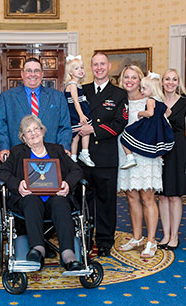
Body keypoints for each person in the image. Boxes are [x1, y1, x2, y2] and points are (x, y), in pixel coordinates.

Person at [0, 115, 84, 271]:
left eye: (36, 128)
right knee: (31, 200)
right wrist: (18, 185)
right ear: (23, 137)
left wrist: (67, 184)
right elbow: (1, 173)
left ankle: (68, 254)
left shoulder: (56, 150)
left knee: (60, 201)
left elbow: (76, 170)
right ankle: (38, 248)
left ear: (42, 131)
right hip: (28, 202)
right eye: (28, 131)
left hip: (54, 199)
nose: (33, 133)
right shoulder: (17, 152)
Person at [77, 52, 128, 257]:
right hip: (84, 157)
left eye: (102, 64)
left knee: (106, 203)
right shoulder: (82, 90)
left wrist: (94, 130)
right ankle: (85, 239)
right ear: (91, 67)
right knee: (84, 202)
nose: (99, 68)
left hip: (106, 157)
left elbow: (119, 123)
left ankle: (105, 241)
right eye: (95, 64)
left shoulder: (119, 93)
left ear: (109, 67)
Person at [115, 66, 162, 258]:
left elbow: (160, 125)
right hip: (124, 152)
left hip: (145, 154)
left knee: (147, 197)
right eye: (126, 76)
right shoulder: (120, 100)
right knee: (131, 196)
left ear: (140, 80)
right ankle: (137, 237)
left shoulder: (149, 101)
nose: (129, 80)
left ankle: (151, 241)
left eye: (134, 77)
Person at [0, 57, 72, 163]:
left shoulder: (57, 97)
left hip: (51, 156)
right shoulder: (7, 97)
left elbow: (65, 127)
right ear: (22, 74)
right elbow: (1, 127)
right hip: (18, 156)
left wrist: (64, 149)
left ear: (42, 74)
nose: (33, 74)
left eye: (36, 71)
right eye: (29, 71)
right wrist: (4, 148)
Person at [157, 68, 186, 250]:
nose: (170, 82)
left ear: (178, 82)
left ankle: (174, 235)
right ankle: (165, 234)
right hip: (160, 153)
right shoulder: (156, 102)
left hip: (179, 152)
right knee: (163, 196)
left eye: (174, 79)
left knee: (175, 195)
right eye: (167, 79)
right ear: (162, 82)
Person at [119, 71, 174, 169]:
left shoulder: (150, 100)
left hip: (149, 125)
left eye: (144, 88)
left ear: (152, 89)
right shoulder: (160, 102)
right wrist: (162, 119)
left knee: (125, 135)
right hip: (158, 128)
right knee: (157, 142)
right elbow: (169, 112)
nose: (142, 91)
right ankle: (160, 159)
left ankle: (130, 157)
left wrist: (140, 113)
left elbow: (150, 113)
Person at [64, 55, 95, 167]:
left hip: (80, 111)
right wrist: (81, 115)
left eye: (81, 68)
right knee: (84, 130)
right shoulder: (72, 85)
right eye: (76, 68)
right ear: (71, 72)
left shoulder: (78, 85)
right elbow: (75, 101)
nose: (80, 70)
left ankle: (74, 157)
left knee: (76, 136)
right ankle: (84, 153)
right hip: (77, 113)